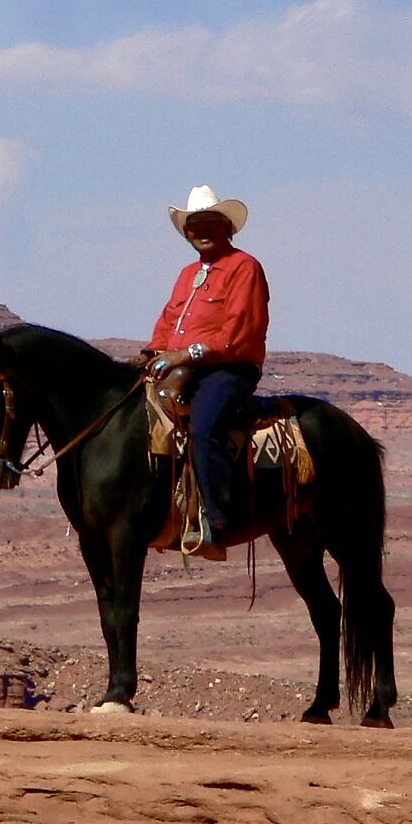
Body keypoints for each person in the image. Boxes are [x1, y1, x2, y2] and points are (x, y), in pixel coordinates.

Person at [144, 184, 269, 552]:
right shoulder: (187, 274)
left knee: (204, 425)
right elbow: (170, 320)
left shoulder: (244, 267)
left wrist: (185, 355)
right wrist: (154, 351)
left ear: (227, 227)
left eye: (209, 223)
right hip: (183, 367)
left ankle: (218, 519)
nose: (199, 231)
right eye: (193, 225)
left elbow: (238, 334)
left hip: (228, 368)